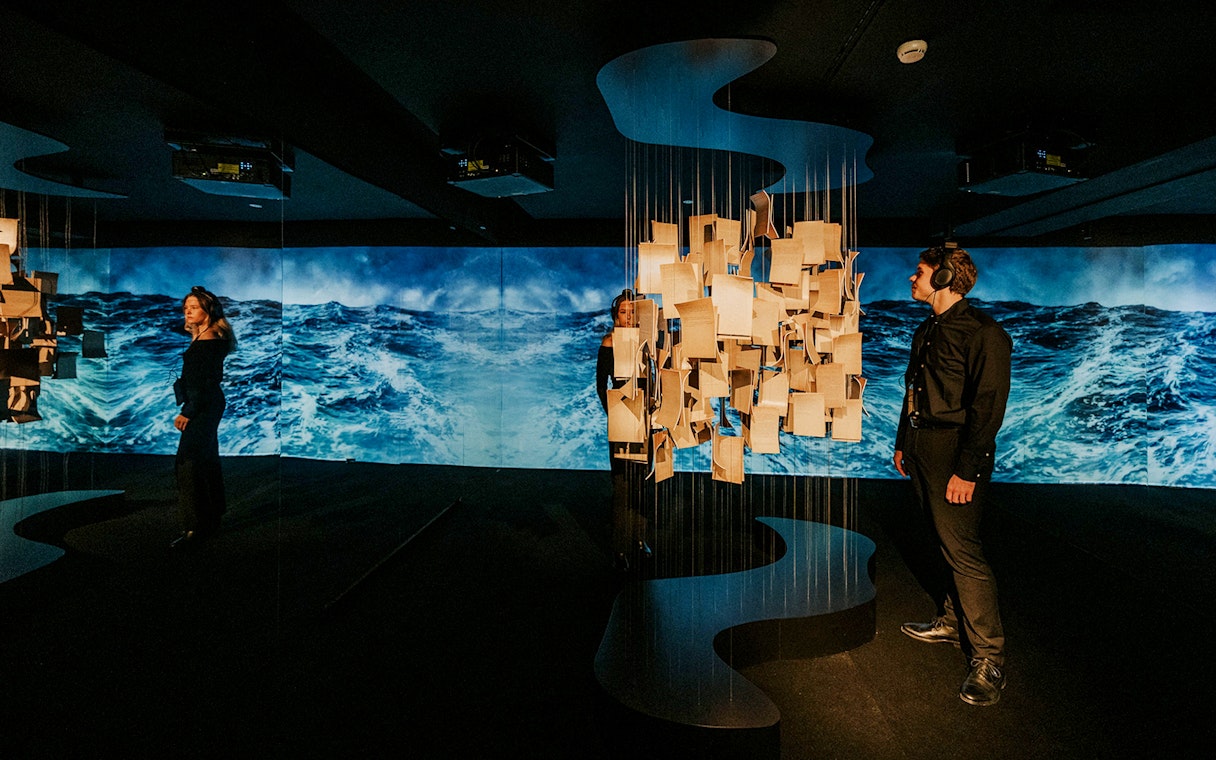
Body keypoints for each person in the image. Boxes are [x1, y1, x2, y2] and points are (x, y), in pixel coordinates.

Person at [893, 245, 1013, 706]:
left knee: (963, 551)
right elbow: (913, 388)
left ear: (943, 277)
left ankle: (989, 657)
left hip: (954, 452)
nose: (911, 278)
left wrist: (967, 470)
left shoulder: (985, 334)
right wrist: (904, 441)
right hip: (922, 446)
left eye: (919, 272)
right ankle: (950, 621)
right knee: (941, 539)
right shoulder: (928, 327)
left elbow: (988, 410)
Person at [171, 285, 236, 549]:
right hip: (208, 403)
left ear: (208, 310)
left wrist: (188, 411)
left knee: (188, 463)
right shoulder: (209, 335)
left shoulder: (208, 340)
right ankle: (213, 516)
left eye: (194, 307)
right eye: (186, 308)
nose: (187, 312)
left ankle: (195, 528)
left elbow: (204, 382)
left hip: (202, 405)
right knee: (206, 458)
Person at [596, 289, 650, 573]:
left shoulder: (645, 342)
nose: (628, 317)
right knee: (622, 488)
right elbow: (600, 386)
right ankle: (619, 548)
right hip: (621, 419)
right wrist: (616, 414)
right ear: (615, 316)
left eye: (632, 312)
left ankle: (639, 540)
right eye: (623, 312)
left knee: (642, 485)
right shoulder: (609, 343)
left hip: (644, 420)